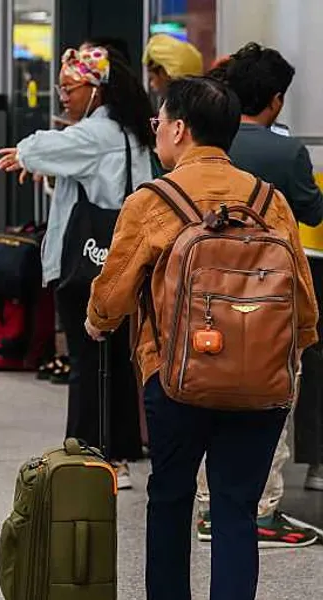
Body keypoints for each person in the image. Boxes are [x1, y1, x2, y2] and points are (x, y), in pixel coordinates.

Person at [85, 75, 319, 600]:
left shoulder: (153, 200)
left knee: (170, 497)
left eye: (159, 122)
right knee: (236, 506)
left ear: (181, 129)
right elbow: (303, 305)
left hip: (176, 377)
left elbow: (112, 297)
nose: (158, 132)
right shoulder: (270, 199)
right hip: (261, 385)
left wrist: (97, 321)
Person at [0, 44, 155, 489]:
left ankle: (90, 454)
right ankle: (122, 451)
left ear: (97, 89)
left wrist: (26, 155)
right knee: (120, 361)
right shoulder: (131, 133)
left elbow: (41, 146)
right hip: (125, 264)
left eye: (70, 87)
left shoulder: (93, 134)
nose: (63, 96)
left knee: (86, 361)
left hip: (85, 266)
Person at [198, 42, 323, 547]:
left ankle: (209, 508)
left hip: (203, 295)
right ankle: (260, 510)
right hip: (267, 297)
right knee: (270, 396)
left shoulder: (208, 145)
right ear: (275, 99)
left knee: (209, 395)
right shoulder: (285, 152)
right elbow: (312, 213)